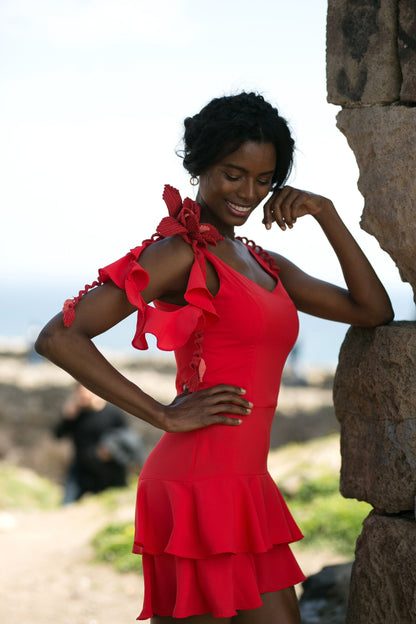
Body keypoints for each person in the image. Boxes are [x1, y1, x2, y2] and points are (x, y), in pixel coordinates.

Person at [35, 92, 393, 624]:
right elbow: (59, 337)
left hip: (248, 486)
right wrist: (162, 414)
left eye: (263, 179)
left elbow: (371, 309)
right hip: (196, 483)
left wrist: (326, 212)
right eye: (232, 174)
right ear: (200, 165)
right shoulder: (180, 253)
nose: (247, 192)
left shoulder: (263, 261)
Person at [55, 384, 143, 503]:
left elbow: (126, 438)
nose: (83, 396)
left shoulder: (112, 413)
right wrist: (68, 417)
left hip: (109, 470)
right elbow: (58, 435)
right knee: (67, 505)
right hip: (82, 469)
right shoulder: (77, 414)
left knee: (114, 504)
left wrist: (110, 450)